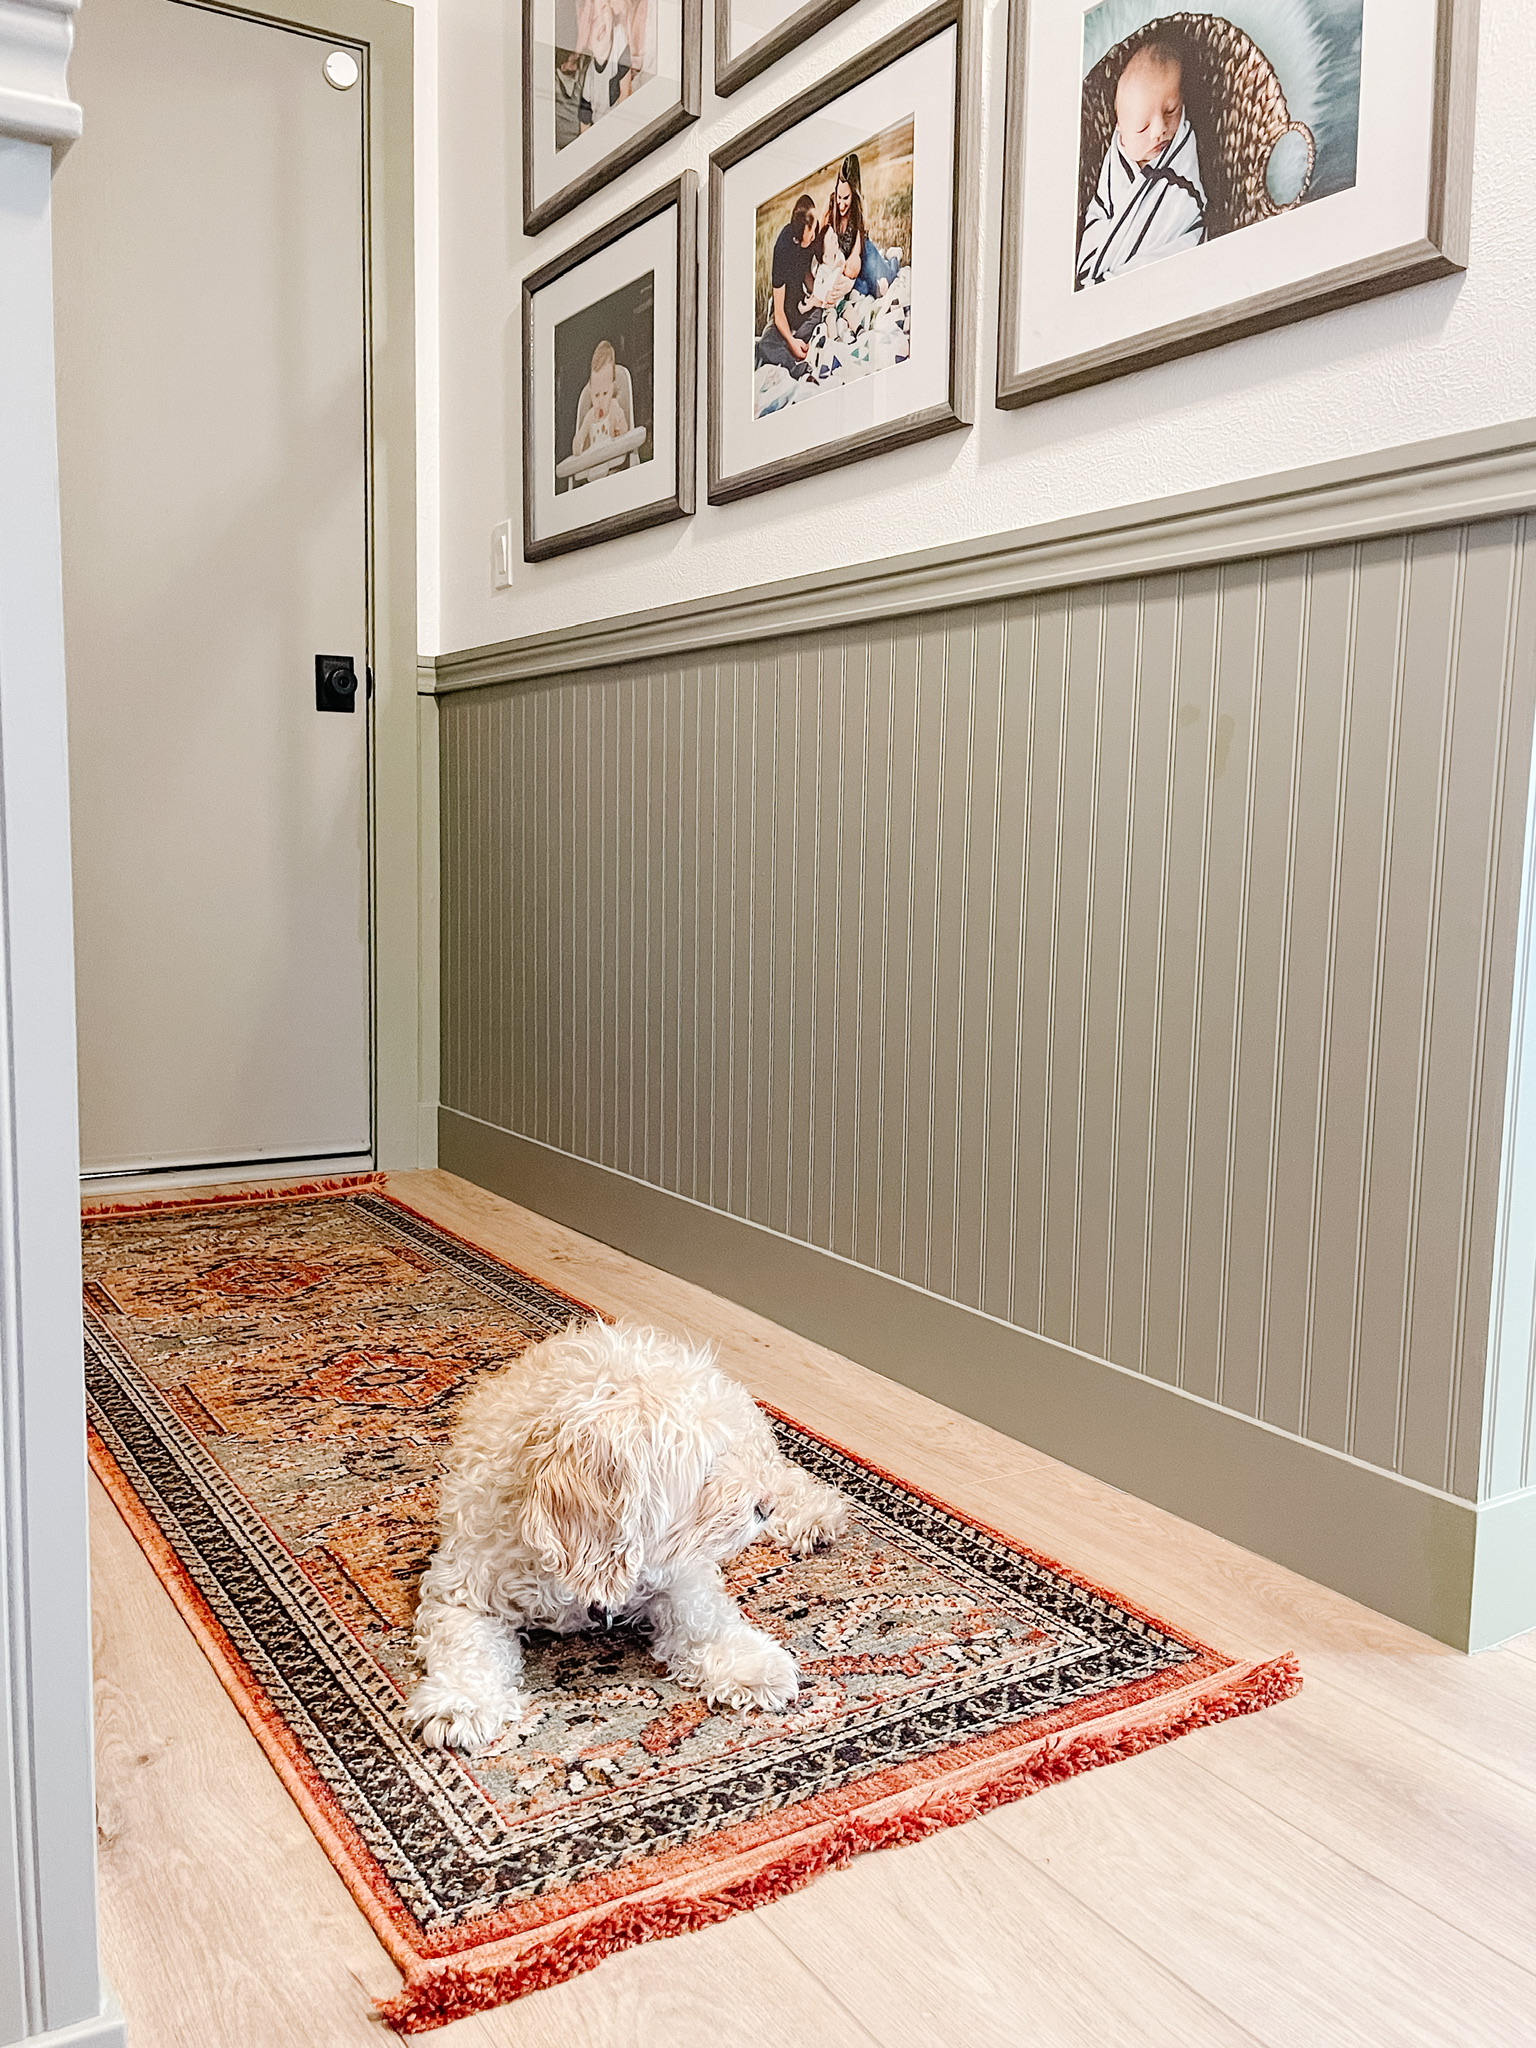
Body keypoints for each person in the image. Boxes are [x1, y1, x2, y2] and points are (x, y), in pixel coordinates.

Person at [1076, 40, 1207, 288]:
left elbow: (1185, 213)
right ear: (1121, 132)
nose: (1159, 131)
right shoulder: (1117, 161)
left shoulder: (1178, 160)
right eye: (1142, 127)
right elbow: (1099, 214)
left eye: (1171, 111)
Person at [755, 193, 821, 378]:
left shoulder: (813, 235)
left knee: (820, 313)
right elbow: (779, 312)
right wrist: (792, 342)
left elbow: (807, 273)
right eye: (810, 233)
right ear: (798, 235)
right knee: (766, 344)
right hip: (784, 310)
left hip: (802, 306)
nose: (813, 236)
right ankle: (796, 366)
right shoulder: (783, 248)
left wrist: (819, 295)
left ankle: (792, 343)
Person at [577, 0, 633, 130]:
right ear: (588, 43)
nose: (600, 19)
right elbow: (585, 120)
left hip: (618, 124)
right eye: (593, 18)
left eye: (604, 9)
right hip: (599, 129)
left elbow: (626, 92)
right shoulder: (590, 75)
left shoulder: (620, 43)